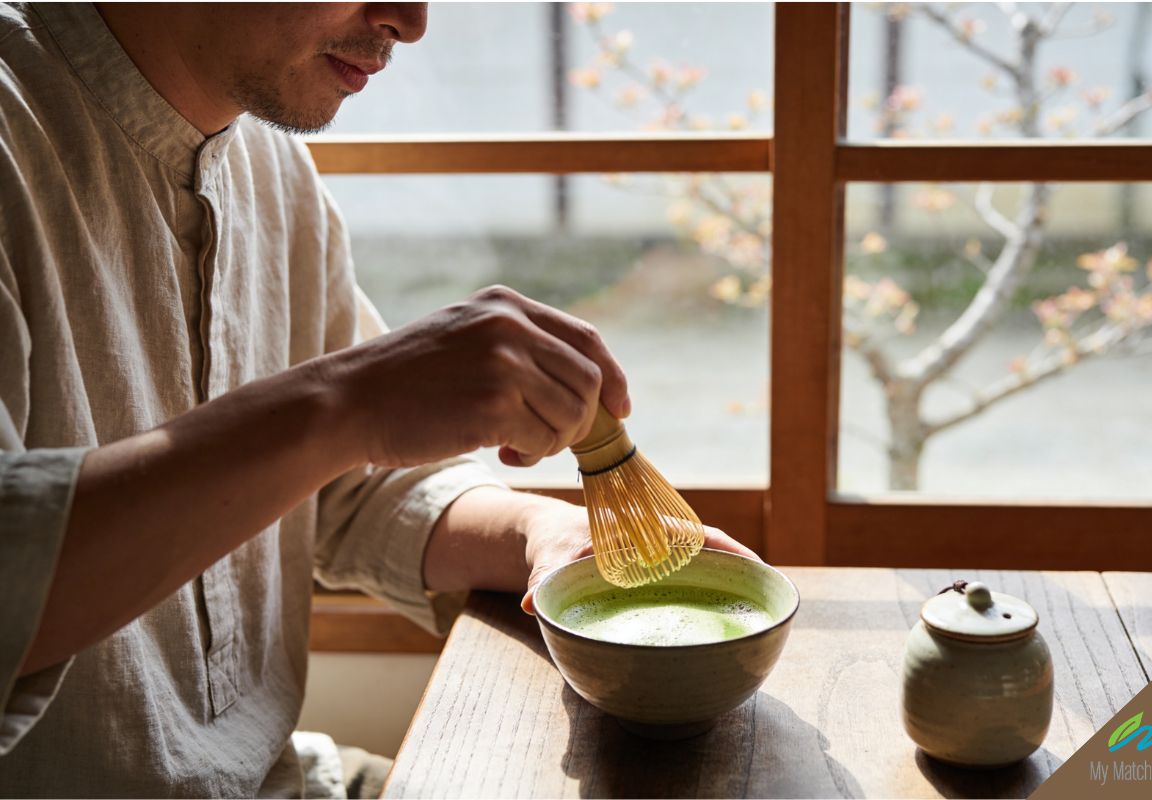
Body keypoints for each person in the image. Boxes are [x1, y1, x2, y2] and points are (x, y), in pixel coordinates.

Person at [0, 3, 756, 797]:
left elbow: (342, 484)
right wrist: (347, 403)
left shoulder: (268, 162)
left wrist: (541, 533)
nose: (411, 21)